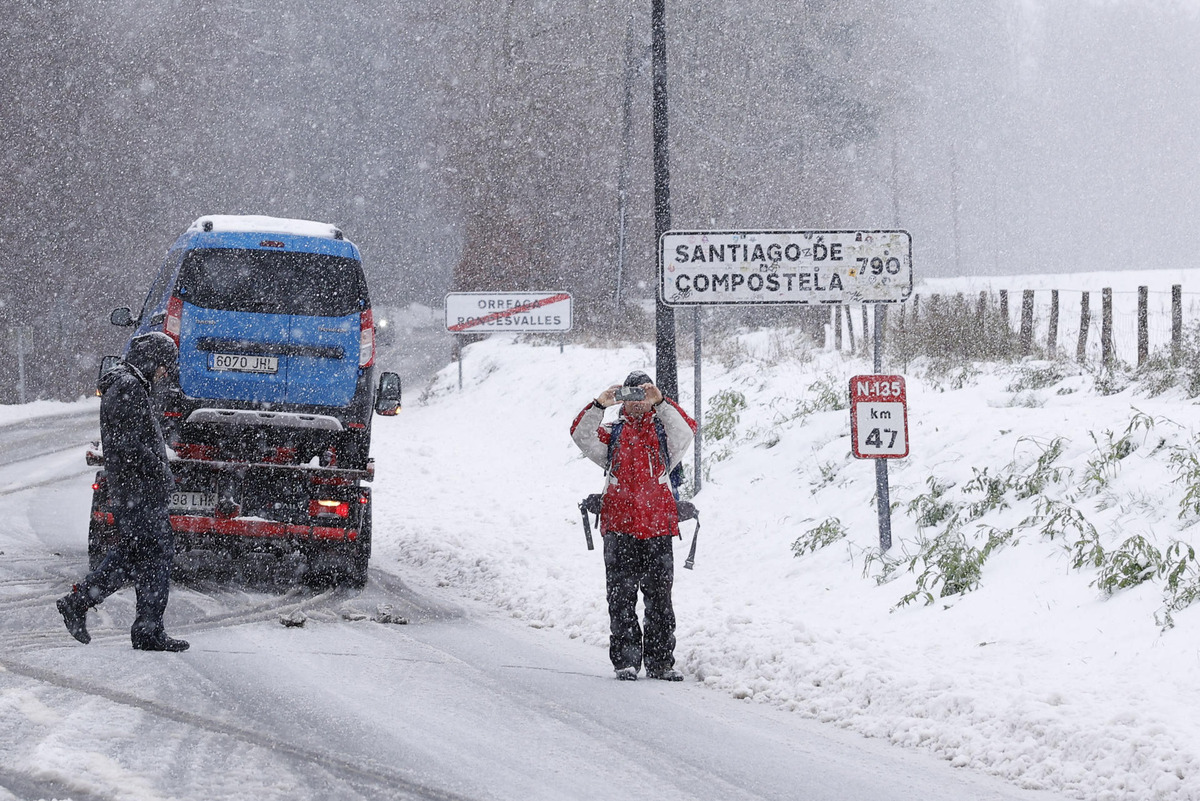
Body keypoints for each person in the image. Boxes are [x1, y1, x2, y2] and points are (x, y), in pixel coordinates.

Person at [56, 331, 189, 652]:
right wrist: (158, 470)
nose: (163, 374)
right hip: (138, 490)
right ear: (150, 360)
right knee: (147, 554)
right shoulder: (128, 387)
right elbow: (128, 444)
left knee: (145, 556)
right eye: (162, 366)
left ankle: (147, 628)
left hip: (138, 489)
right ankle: (81, 604)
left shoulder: (128, 385)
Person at [570, 370, 697, 681]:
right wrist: (599, 405)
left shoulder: (666, 434)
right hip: (619, 529)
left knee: (660, 601)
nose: (638, 400)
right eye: (632, 393)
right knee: (621, 598)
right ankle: (626, 661)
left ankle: (660, 663)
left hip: (658, 529)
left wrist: (662, 403)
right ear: (623, 397)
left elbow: (687, 432)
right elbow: (580, 435)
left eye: (644, 393)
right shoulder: (611, 434)